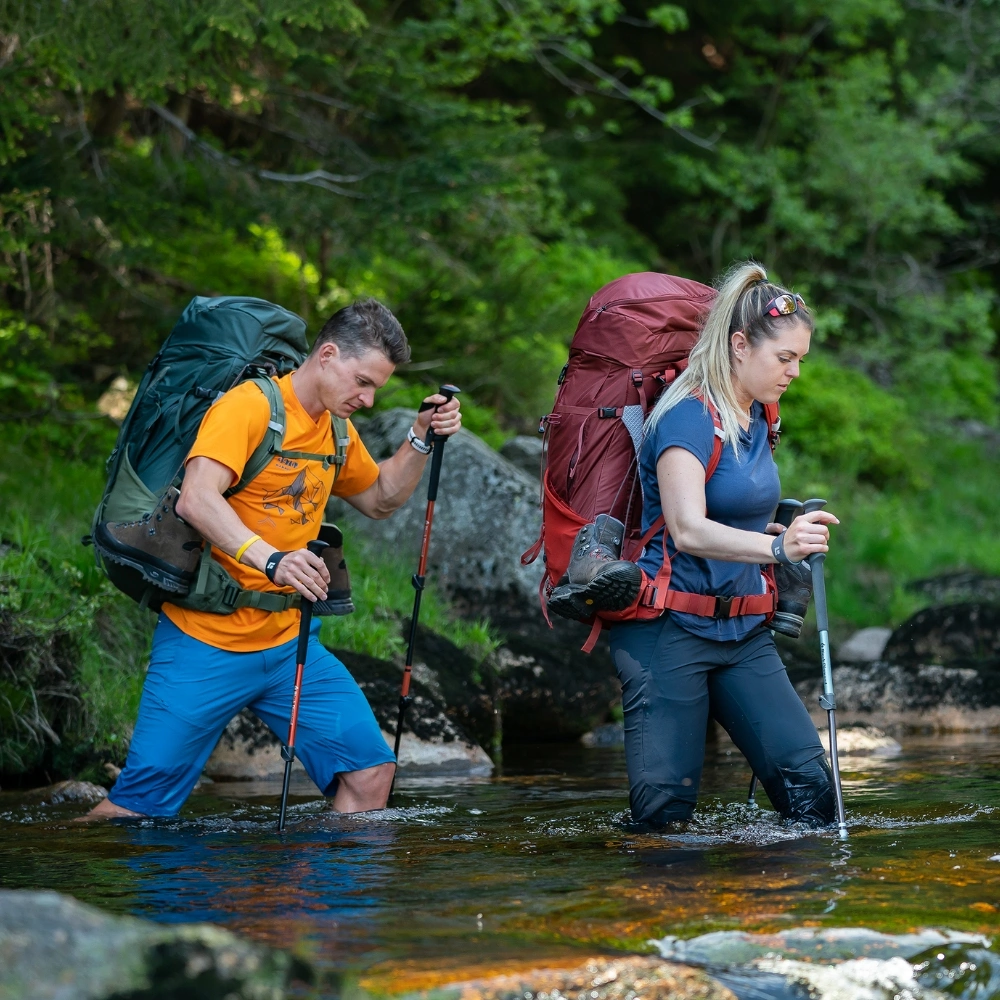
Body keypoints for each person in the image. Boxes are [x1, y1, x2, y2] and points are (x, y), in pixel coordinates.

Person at [82, 298, 461, 821]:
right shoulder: (249, 408)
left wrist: (420, 438)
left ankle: (313, 900)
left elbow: (380, 498)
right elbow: (197, 497)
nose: (369, 400)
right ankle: (45, 895)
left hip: (290, 647)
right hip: (204, 641)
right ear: (327, 354)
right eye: (363, 381)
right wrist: (271, 561)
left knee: (370, 775)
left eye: (376, 387)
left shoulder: (334, 427)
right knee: (135, 810)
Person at [609, 262, 839, 829]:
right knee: (665, 825)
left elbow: (729, 510)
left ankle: (780, 917)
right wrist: (779, 554)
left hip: (742, 632)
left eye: (799, 360)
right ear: (739, 345)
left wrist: (773, 535)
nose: (794, 372)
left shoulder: (758, 416)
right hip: (668, 632)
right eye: (785, 358)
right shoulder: (686, 416)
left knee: (813, 799)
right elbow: (686, 527)